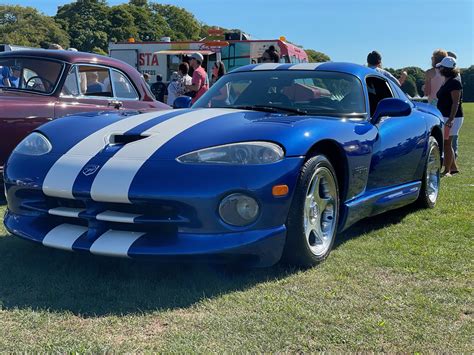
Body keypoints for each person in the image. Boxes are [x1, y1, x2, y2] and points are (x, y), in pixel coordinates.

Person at [436, 56, 464, 176]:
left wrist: (451, 119)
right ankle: (453, 168)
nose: (439, 69)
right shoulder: (448, 80)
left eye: (441, 67)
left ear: (445, 69)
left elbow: (455, 102)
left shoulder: (454, 82)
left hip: (452, 117)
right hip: (447, 116)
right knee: (447, 142)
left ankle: (447, 170)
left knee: (447, 142)